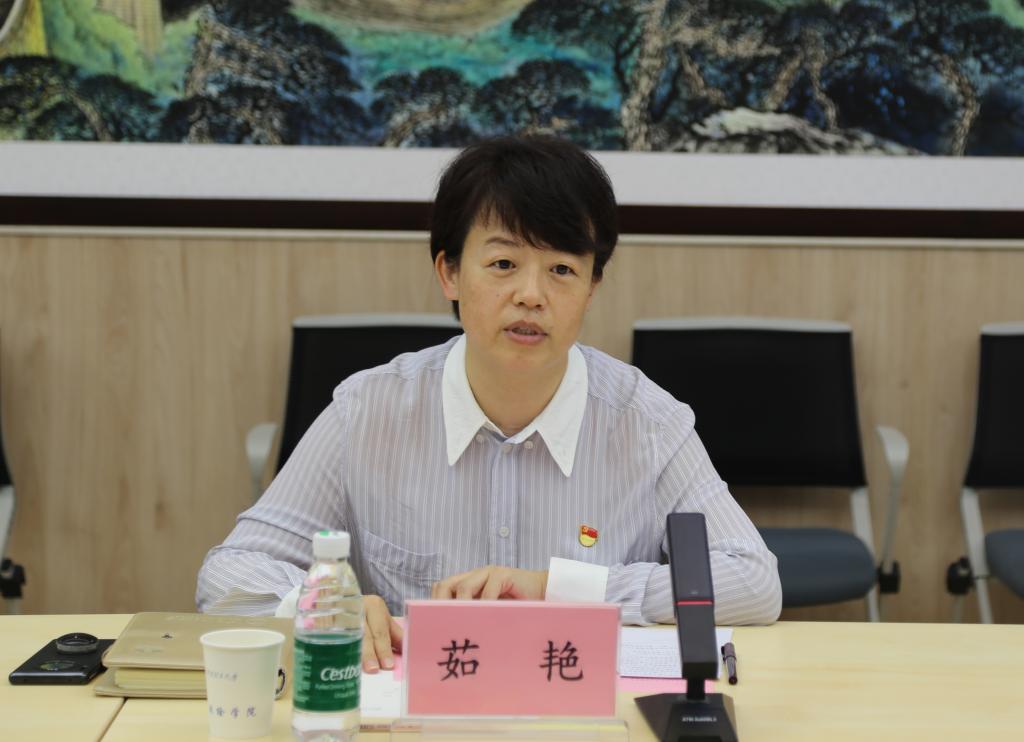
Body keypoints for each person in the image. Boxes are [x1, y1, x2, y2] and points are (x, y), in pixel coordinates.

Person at [196, 135, 781, 674]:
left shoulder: (647, 422)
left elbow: (753, 580)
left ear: (591, 288)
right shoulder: (368, 412)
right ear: (449, 273)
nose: (531, 295)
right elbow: (227, 575)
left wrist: (561, 589)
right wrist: (320, 604)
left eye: (562, 269)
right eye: (503, 264)